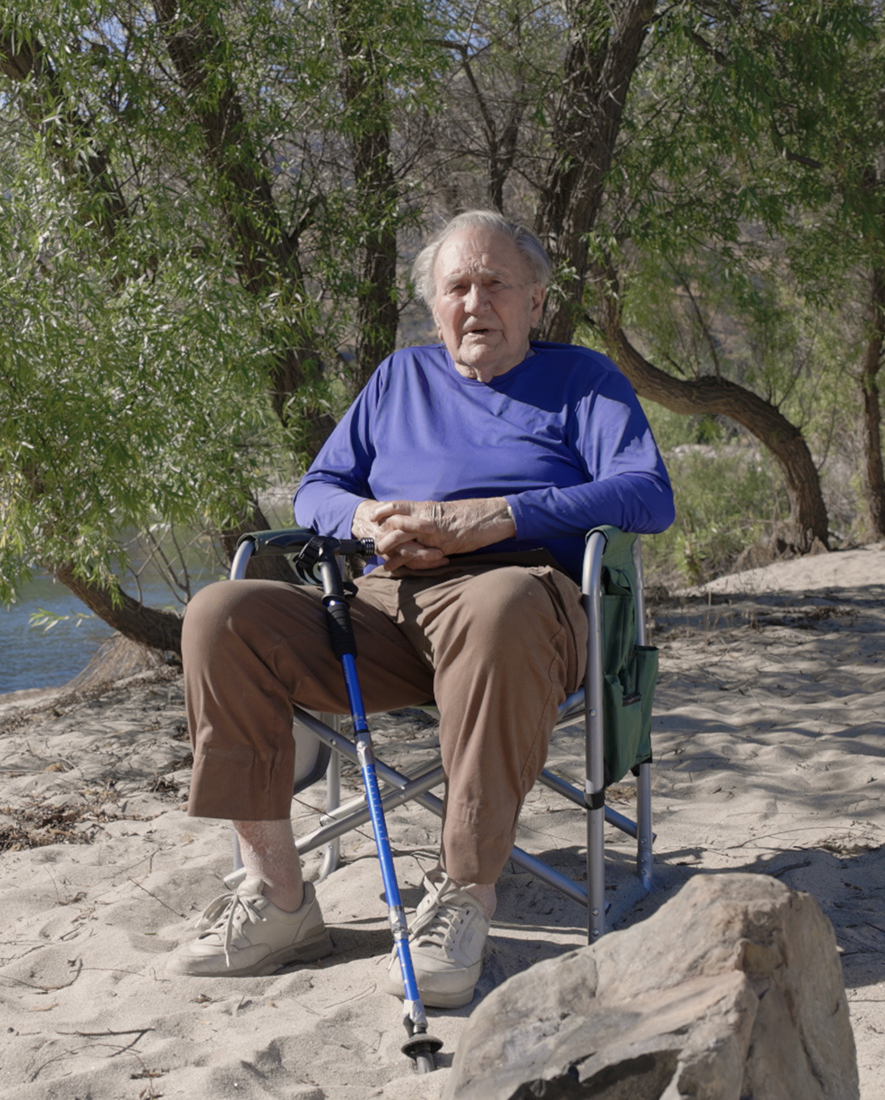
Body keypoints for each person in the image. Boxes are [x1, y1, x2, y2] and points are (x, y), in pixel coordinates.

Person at [170, 209, 674, 1008]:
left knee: (501, 600)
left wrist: (492, 517)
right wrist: (367, 519)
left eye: (495, 284)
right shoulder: (398, 379)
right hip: (382, 607)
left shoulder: (584, 382)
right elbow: (317, 490)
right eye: (457, 287)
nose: (476, 302)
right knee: (218, 613)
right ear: (435, 306)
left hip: (523, 608)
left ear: (535, 300)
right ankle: (277, 900)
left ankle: (464, 896)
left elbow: (648, 494)